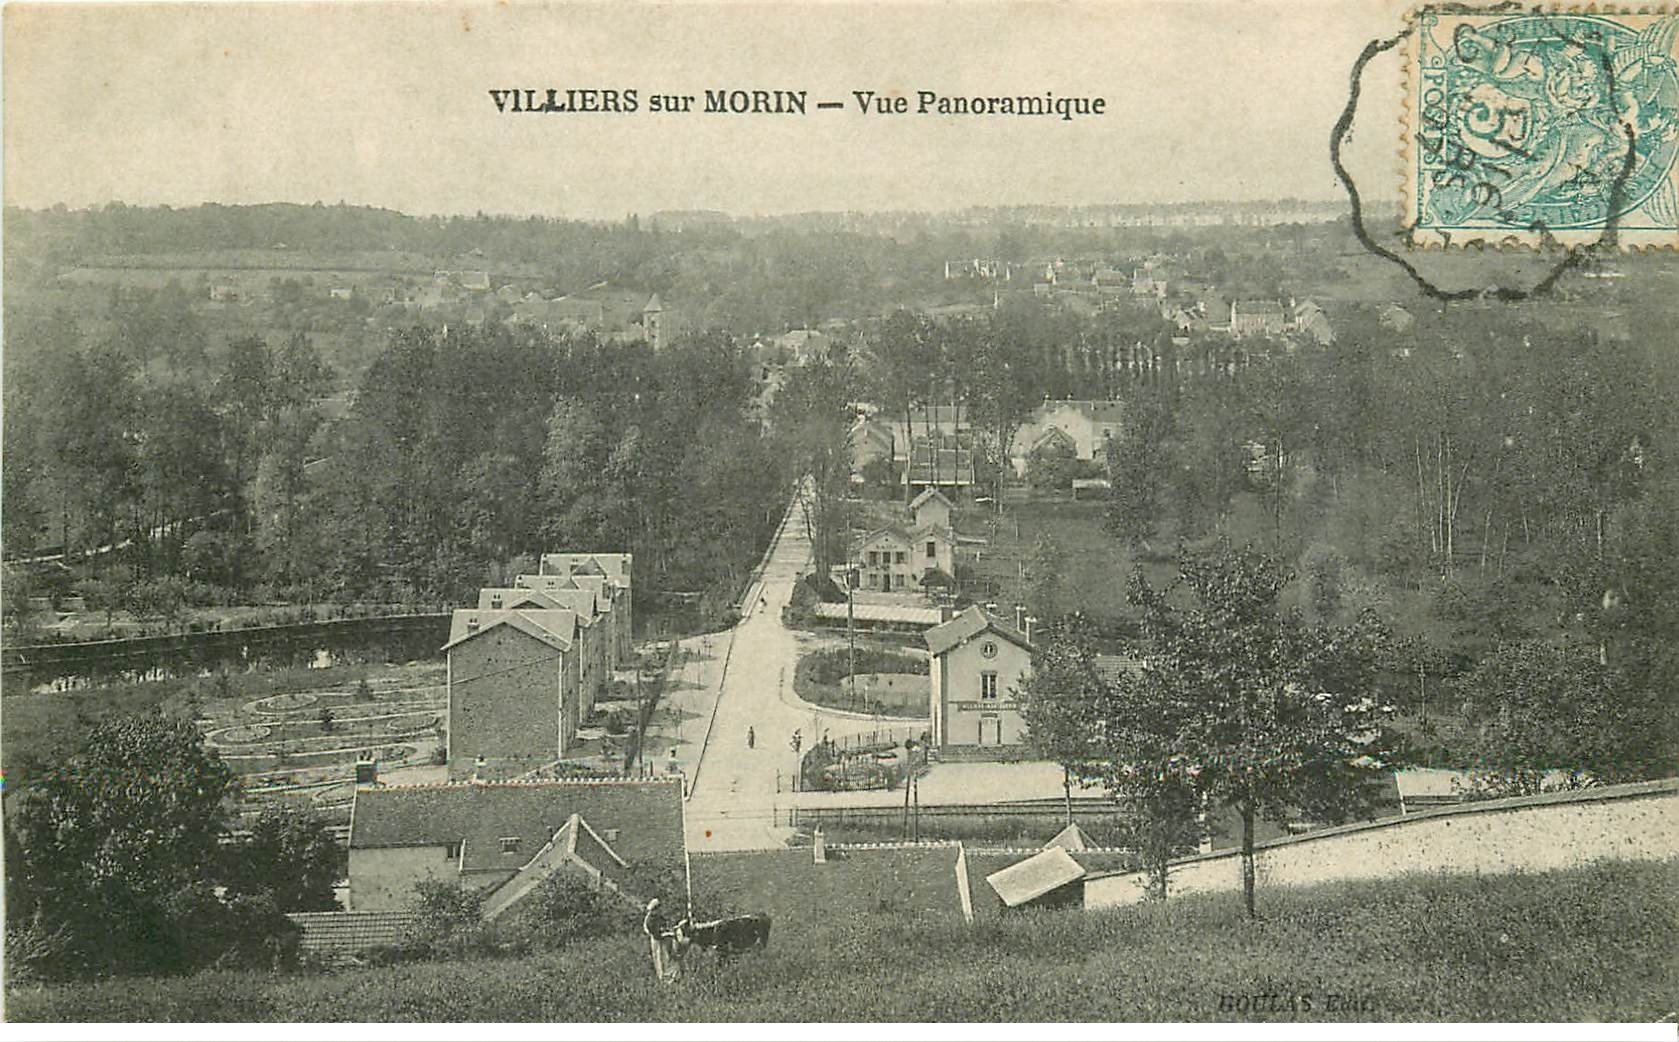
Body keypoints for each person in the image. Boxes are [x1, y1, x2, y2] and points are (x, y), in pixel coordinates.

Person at [643, 898, 679, 982]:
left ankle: (670, 976)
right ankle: (664, 978)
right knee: (660, 958)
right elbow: (656, 934)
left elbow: (664, 925)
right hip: (658, 941)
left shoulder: (658, 917)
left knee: (667, 956)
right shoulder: (650, 920)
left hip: (664, 940)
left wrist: (669, 929)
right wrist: (667, 933)